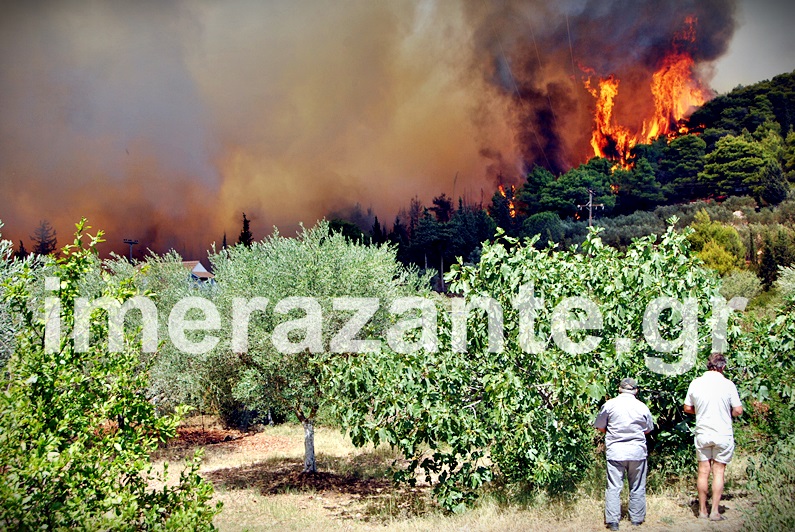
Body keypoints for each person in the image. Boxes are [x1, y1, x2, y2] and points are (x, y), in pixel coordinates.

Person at [684, 352, 743, 521]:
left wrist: (700, 411)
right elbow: (738, 410)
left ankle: (702, 510)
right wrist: (729, 413)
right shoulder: (728, 384)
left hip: (703, 431)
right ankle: (715, 511)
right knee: (718, 471)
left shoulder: (696, 383)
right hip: (722, 432)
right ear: (722, 367)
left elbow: (687, 408)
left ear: (707, 366)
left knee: (703, 471)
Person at [594, 377, 655, 530]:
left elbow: (600, 426)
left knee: (614, 486)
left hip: (616, 452)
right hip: (637, 452)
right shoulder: (642, 407)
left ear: (620, 389)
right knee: (637, 486)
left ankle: (613, 521)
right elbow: (648, 429)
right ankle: (636, 519)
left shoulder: (609, 405)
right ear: (636, 390)